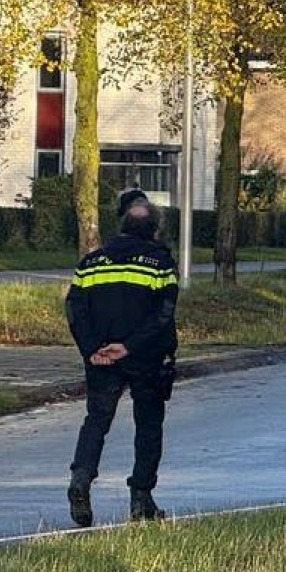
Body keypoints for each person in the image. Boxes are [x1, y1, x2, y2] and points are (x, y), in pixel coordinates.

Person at [65, 189, 179, 526]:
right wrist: (129, 347)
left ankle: (81, 479)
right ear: (155, 230)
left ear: (123, 226)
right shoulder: (160, 264)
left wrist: (92, 349)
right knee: (148, 426)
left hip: (101, 359)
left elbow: (75, 310)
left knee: (96, 421)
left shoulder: (91, 263)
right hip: (146, 359)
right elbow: (163, 316)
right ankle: (141, 498)